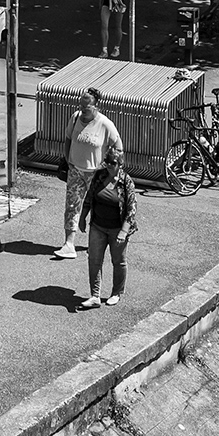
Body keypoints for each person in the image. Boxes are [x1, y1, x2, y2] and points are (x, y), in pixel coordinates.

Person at [77, 127, 136, 309]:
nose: (109, 165)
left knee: (118, 261)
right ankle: (95, 295)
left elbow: (131, 210)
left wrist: (123, 232)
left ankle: (116, 293)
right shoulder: (99, 175)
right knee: (94, 259)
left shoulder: (126, 182)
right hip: (98, 226)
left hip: (117, 229)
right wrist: (83, 216)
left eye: (113, 163)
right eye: (107, 161)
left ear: (120, 164)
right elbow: (89, 196)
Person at [53, 86, 112, 259]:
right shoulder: (75, 118)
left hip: (95, 173)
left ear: (96, 107)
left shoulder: (105, 124)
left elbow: (117, 146)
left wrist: (108, 167)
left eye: (86, 107)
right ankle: (68, 244)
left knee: (96, 208)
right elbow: (68, 139)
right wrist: (68, 159)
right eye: (81, 105)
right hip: (75, 171)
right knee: (72, 206)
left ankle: (95, 245)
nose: (82, 110)